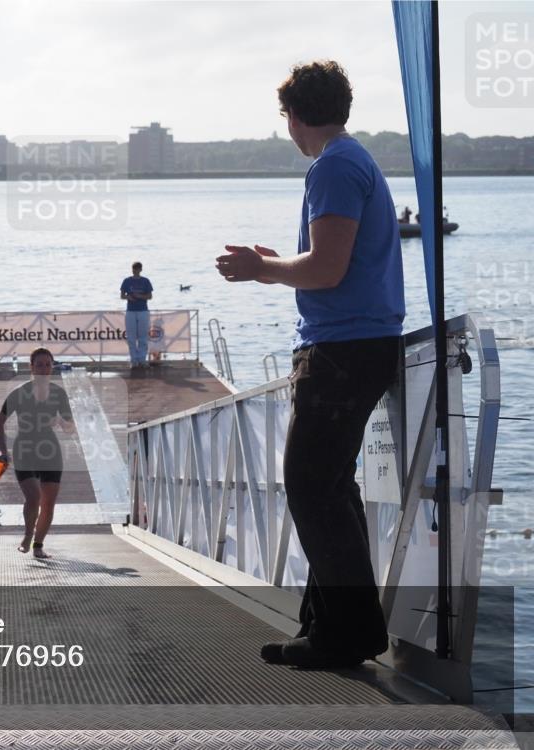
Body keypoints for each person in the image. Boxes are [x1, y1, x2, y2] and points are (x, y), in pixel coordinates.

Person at [216, 60, 404, 669]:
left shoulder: (333, 167)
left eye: (286, 118)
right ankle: (328, 626)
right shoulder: (353, 162)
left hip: (342, 351)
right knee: (329, 487)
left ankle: (348, 633)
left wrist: (260, 269)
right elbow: (330, 259)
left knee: (310, 485)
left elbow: (327, 269)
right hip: (359, 344)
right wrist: (280, 261)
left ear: (294, 116)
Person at [0, 347, 75, 560]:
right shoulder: (21, 392)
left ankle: (39, 545)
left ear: (52, 367)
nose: (44, 369)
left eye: (48, 365)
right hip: (25, 449)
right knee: (34, 496)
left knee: (48, 503)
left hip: (50, 451)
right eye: (39, 364)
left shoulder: (58, 393)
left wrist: (59, 421)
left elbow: (71, 427)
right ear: (31, 367)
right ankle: (28, 535)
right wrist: (3, 449)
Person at [120, 262, 153, 368]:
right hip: (130, 311)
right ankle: (133, 360)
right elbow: (122, 295)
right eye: (133, 269)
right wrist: (128, 297)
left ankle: (142, 359)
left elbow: (150, 296)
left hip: (143, 310)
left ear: (140, 269)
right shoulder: (127, 281)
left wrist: (140, 296)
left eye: (137, 269)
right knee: (131, 337)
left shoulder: (145, 281)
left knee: (143, 336)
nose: (135, 270)